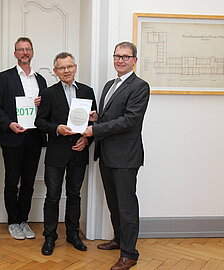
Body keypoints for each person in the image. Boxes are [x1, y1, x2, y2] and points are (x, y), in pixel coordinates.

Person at [82, 41, 150, 270]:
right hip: (107, 154)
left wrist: (95, 130)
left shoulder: (140, 86)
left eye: (125, 56)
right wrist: (96, 118)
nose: (120, 60)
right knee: (114, 203)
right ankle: (119, 240)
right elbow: (113, 116)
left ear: (134, 60)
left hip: (125, 157)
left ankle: (130, 254)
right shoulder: (110, 84)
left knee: (127, 207)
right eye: (117, 56)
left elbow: (130, 120)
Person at [35, 52, 96, 255]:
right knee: (52, 196)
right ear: (55, 72)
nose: (66, 71)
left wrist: (87, 139)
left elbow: (95, 122)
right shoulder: (49, 93)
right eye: (62, 68)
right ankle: (50, 237)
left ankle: (73, 235)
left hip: (79, 152)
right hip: (56, 153)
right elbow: (40, 122)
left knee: (74, 195)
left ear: (75, 67)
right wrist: (57, 128)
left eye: (69, 66)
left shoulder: (88, 91)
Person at [0, 37, 47, 240]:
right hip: (13, 137)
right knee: (11, 181)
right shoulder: (4, 77)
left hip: (34, 137)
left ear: (33, 52)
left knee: (29, 182)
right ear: (15, 53)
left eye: (28, 49)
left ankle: (24, 220)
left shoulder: (41, 80)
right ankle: (13, 221)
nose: (24, 53)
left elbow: (46, 111)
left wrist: (42, 105)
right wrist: (8, 124)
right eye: (20, 50)